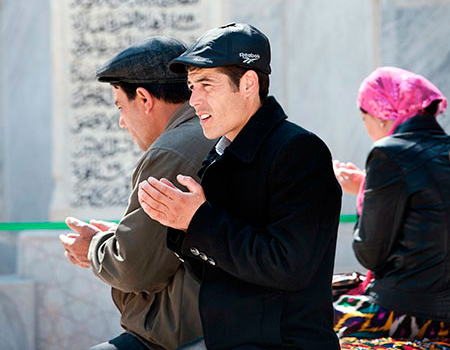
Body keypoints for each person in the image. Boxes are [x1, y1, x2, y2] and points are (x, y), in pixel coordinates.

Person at [138, 22, 342, 350]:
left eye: (206, 85)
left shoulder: (299, 151)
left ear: (248, 84)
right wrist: (181, 222)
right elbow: (218, 271)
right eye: (191, 86)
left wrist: (197, 220)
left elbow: (289, 265)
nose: (194, 100)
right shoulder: (221, 155)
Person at [59, 36, 214, 350]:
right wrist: (119, 236)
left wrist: (93, 247)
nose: (121, 122)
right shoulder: (206, 131)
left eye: (121, 106)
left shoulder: (172, 150)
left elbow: (135, 269)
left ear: (144, 98)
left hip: (179, 339)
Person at [333, 66, 450, 341]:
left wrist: (366, 195)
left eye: (364, 118)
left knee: (299, 315)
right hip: (440, 306)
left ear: (382, 115)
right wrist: (367, 185)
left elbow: (369, 253)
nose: (367, 128)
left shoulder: (389, 153)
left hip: (410, 311)